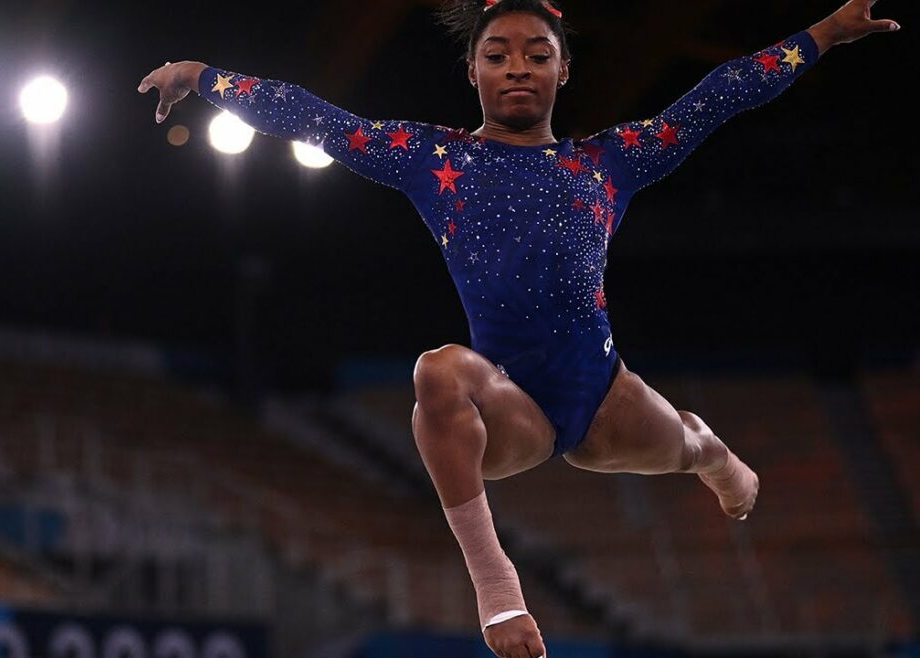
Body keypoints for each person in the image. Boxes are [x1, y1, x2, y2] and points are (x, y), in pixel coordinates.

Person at [138, 1, 899, 655]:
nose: (517, 69)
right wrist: (203, 76)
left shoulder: (607, 163)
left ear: (564, 70)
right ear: (472, 70)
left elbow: (717, 96)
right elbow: (312, 117)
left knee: (689, 448)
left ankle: (711, 452)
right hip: (513, 406)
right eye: (498, 55)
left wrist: (825, 33)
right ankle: (497, 585)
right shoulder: (434, 157)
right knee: (437, 370)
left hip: (606, 398)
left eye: (538, 55)